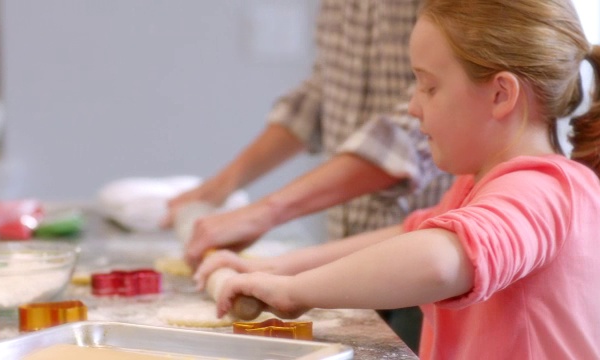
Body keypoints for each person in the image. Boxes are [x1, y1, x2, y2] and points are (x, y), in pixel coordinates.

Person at [194, 0, 600, 357]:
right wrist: (274, 269)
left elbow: (438, 261)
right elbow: (405, 235)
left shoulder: (545, 189)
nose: (414, 107)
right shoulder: (477, 187)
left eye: (429, 88)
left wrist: (298, 292)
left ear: (501, 95)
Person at [164, 0, 452, 352]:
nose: (417, 105)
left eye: (430, 89)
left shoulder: (504, 200)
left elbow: (410, 138)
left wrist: (271, 225)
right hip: (345, 258)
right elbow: (321, 93)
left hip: (420, 292)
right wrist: (215, 192)